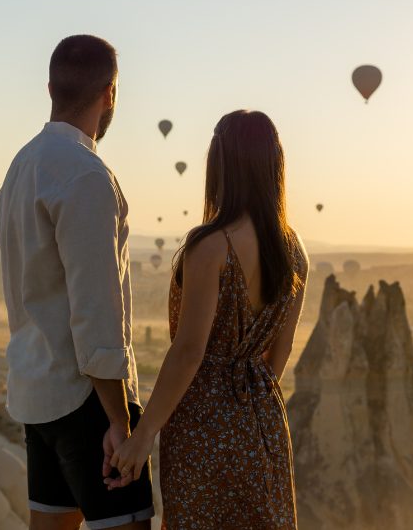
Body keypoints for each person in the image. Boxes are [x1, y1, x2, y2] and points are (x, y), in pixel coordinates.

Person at [107, 110, 309, 529]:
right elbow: (282, 350)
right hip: (263, 417)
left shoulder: (210, 247)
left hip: (201, 423)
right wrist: (248, 396)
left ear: (219, 164)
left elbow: (188, 352)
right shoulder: (294, 250)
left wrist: (142, 437)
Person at [0, 35, 153, 530]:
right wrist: (119, 420)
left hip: (36, 395)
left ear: (49, 88)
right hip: (86, 398)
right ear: (111, 93)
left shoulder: (21, 167)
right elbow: (95, 308)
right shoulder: (86, 176)